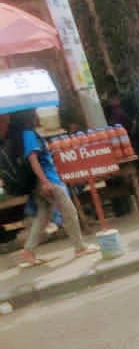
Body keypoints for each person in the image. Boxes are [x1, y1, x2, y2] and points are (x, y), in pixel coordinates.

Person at [0, 111, 93, 267]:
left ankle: (28, 251)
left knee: (43, 215)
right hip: (47, 180)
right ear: (28, 117)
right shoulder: (28, 133)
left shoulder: (18, 135)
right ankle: (80, 247)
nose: (38, 116)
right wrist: (45, 182)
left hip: (37, 183)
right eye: (34, 114)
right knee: (69, 211)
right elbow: (33, 159)